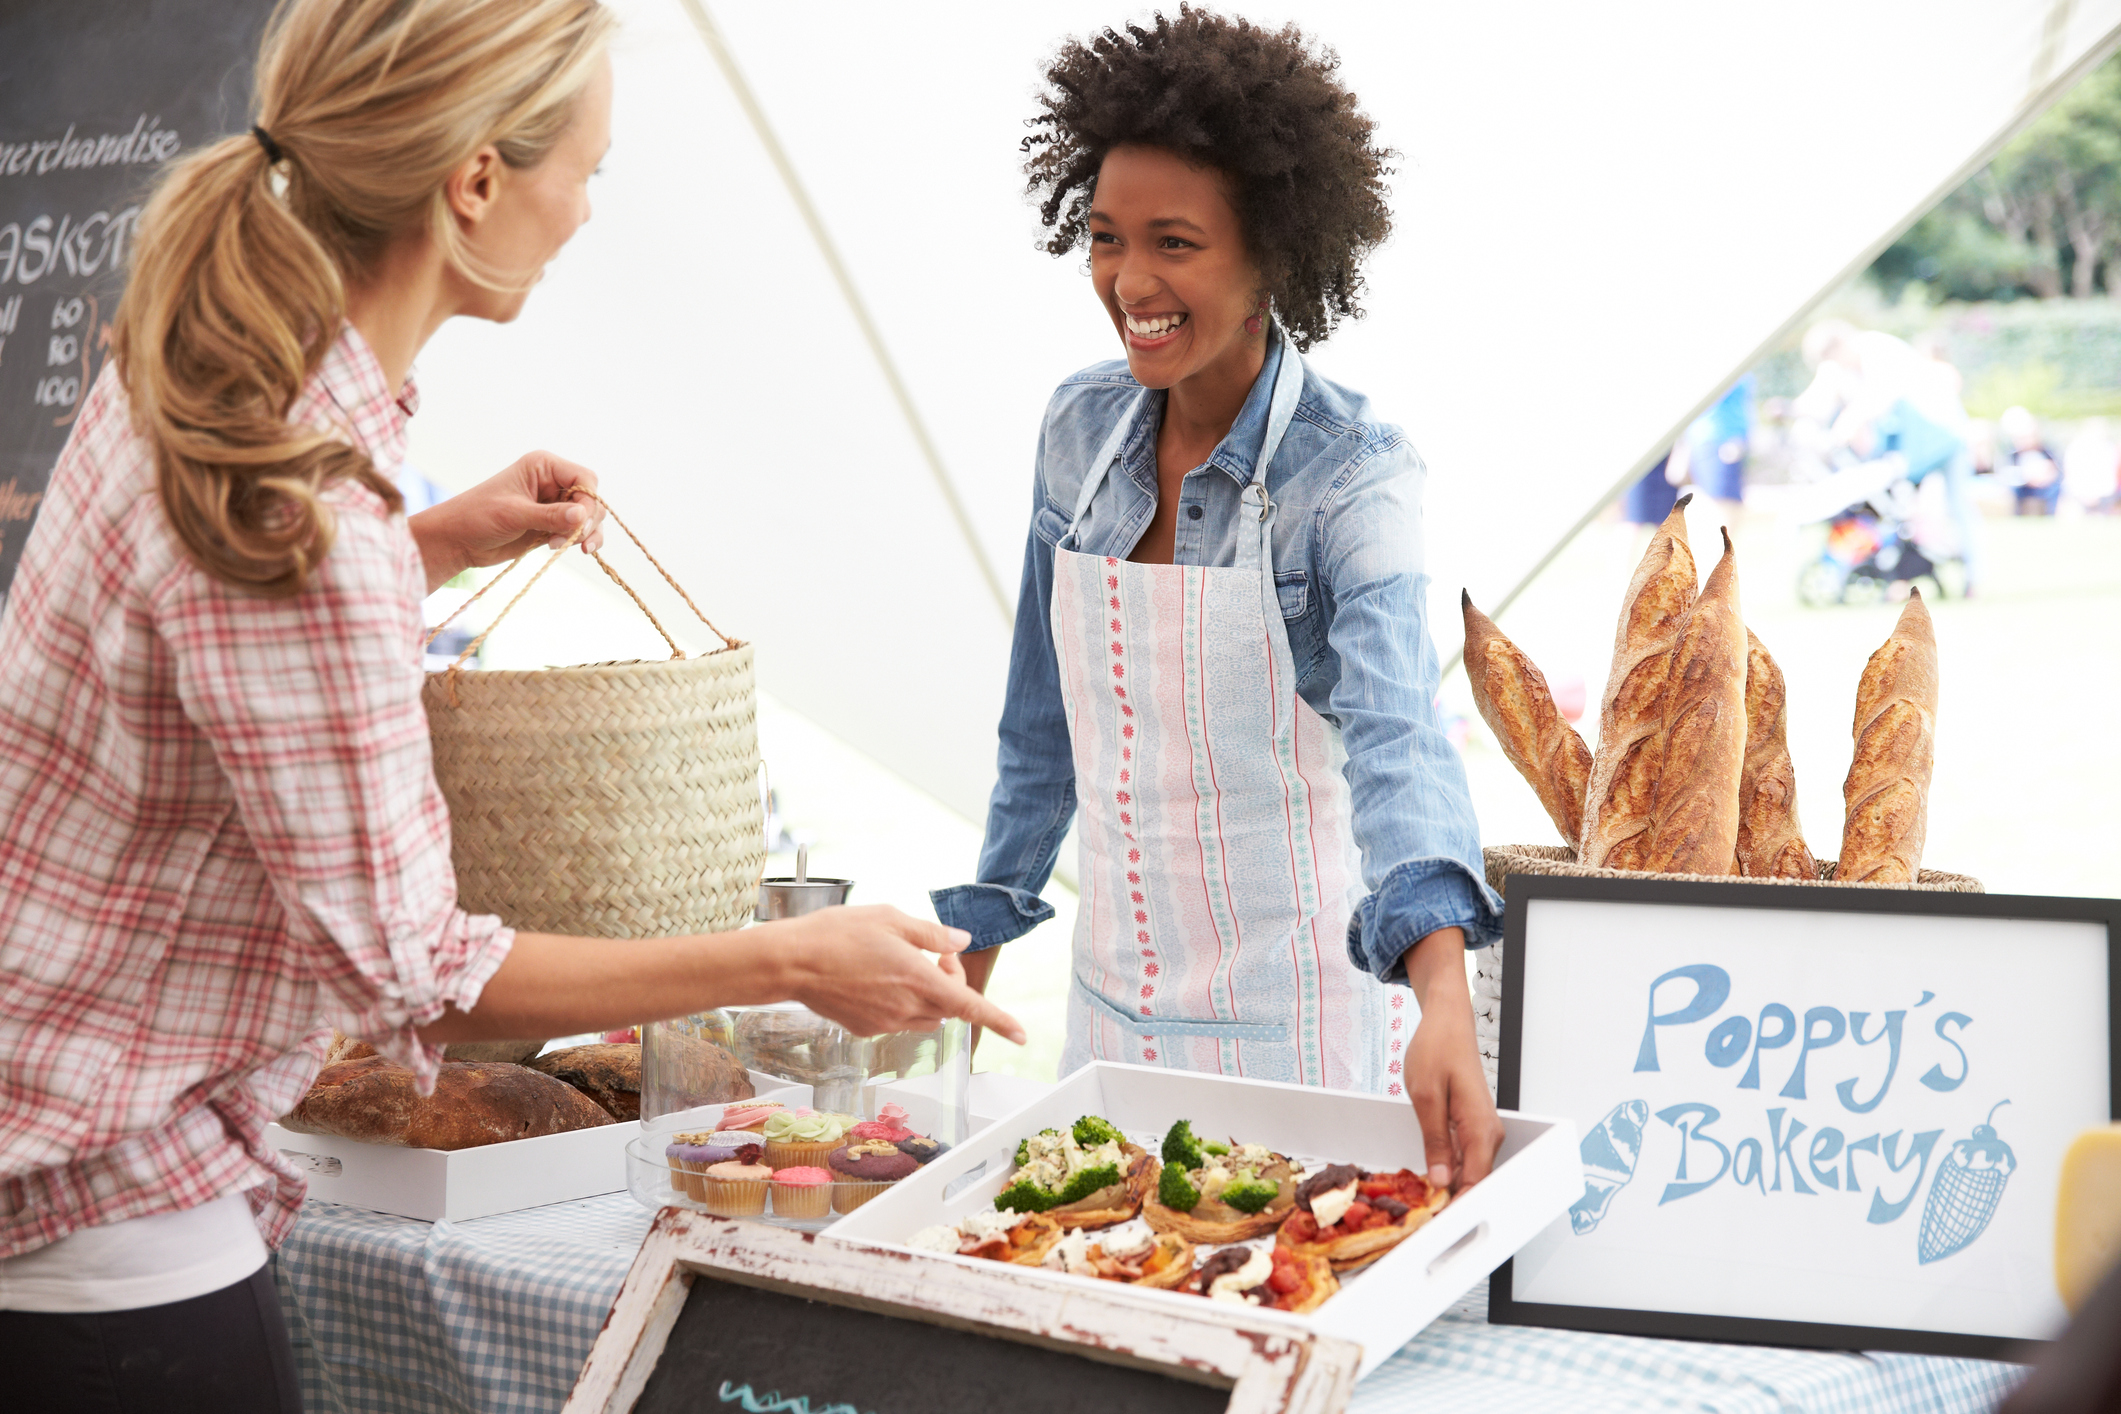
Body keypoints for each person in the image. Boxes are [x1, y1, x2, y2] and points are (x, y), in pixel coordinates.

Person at [0, 2, 1020, 1404]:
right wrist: (788, 958)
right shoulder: (305, 514)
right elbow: (426, 972)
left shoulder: (210, 369)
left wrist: (430, 544)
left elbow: (190, 642)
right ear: (476, 178)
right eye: (585, 171)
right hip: (109, 1249)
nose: (589, 211)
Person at [931, 11, 1503, 1196]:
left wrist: (1443, 991)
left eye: (1175, 243)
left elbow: (1402, 738)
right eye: (1104, 238)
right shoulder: (1077, 428)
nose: (1130, 281)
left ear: (1272, 255)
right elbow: (1043, 731)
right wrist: (975, 939)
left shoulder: (1351, 475)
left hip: (1302, 1042)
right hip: (1109, 1027)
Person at [2000, 405, 2064, 516]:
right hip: (2022, 485)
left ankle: (2051, 515)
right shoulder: (2013, 453)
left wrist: (2045, 476)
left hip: (2044, 485)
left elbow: (2057, 470)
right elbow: (2007, 472)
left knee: (2056, 489)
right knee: (2011, 490)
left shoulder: (2046, 450)